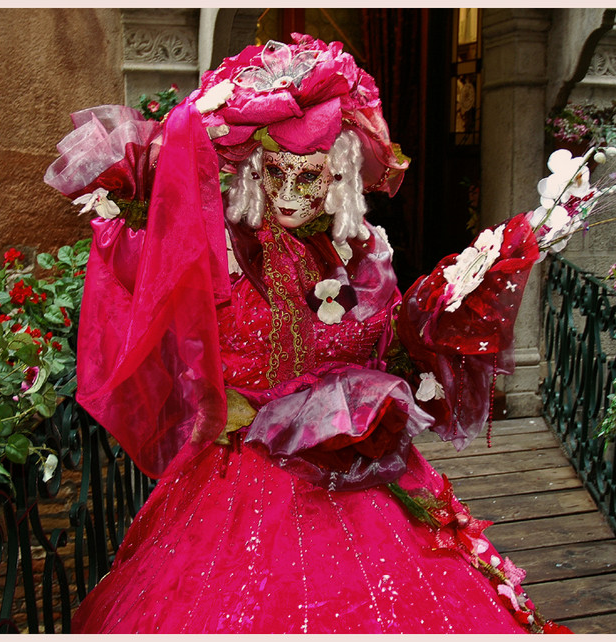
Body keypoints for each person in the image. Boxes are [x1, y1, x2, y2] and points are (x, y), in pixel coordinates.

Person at [45, 34, 571, 634]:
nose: (291, 195)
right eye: (277, 173)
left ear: (341, 175)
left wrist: (459, 293)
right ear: (255, 170)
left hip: (360, 471)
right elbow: (151, 309)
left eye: (310, 177)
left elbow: (393, 348)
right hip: (241, 475)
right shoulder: (222, 252)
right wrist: (126, 219)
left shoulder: (366, 252)